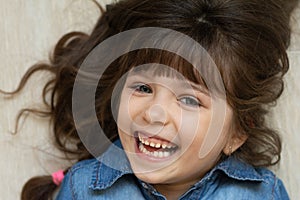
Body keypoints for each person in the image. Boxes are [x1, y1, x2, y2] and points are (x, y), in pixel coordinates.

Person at [16, 0, 298, 199]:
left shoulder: (262, 194)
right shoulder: (84, 189)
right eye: (143, 88)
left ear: (235, 134)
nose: (153, 114)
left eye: (189, 100)